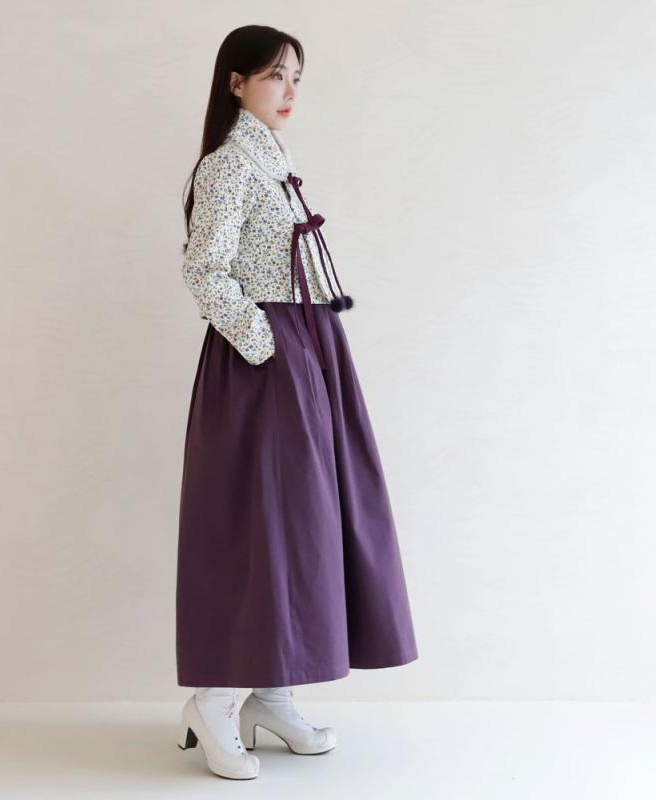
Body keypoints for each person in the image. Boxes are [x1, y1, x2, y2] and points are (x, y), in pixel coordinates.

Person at [175, 25, 418, 780]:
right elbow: (204, 269)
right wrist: (268, 347)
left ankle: (269, 690)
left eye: (296, 79)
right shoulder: (228, 164)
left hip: (306, 348)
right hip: (264, 362)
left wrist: (303, 352)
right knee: (262, 522)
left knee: (305, 520)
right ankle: (216, 699)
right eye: (276, 76)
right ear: (236, 82)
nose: (289, 92)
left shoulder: (271, 158)